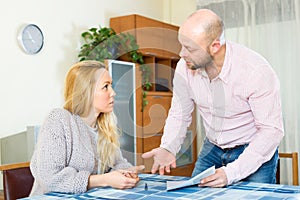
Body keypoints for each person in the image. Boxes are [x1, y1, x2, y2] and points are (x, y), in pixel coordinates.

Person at [142, 9, 284, 187]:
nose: (181, 54)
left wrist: (231, 173)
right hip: (213, 147)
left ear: (215, 46)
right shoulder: (184, 67)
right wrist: (168, 147)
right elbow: (180, 112)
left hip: (252, 148)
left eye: (190, 48)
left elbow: (271, 132)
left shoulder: (255, 71)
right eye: (182, 45)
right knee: (193, 194)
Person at [30, 60, 144, 196]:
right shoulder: (59, 119)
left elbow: (117, 163)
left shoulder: (104, 126)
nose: (113, 93)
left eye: (111, 86)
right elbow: (50, 179)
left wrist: (127, 173)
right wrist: (104, 180)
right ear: (86, 91)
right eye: (105, 87)